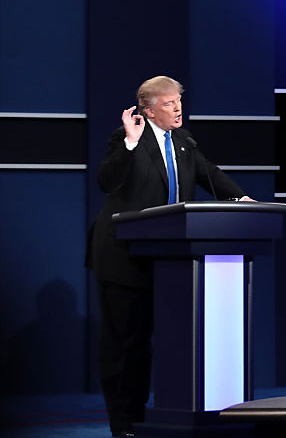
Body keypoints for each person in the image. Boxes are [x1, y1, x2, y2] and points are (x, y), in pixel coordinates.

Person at [86, 76, 252, 437]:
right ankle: (123, 423)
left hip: (167, 258)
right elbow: (106, 180)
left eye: (178, 101)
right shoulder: (127, 138)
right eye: (168, 103)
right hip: (123, 257)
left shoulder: (184, 142)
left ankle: (145, 415)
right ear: (147, 109)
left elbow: (212, 176)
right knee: (125, 345)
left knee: (154, 343)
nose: (177, 108)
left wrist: (241, 200)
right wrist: (130, 142)